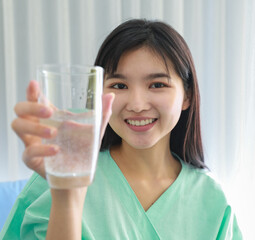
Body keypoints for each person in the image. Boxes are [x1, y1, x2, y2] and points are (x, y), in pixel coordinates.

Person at [0, 19, 242, 239]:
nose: (137, 105)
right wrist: (67, 198)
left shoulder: (212, 200)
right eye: (119, 85)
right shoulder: (62, 172)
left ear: (187, 95)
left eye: (157, 84)